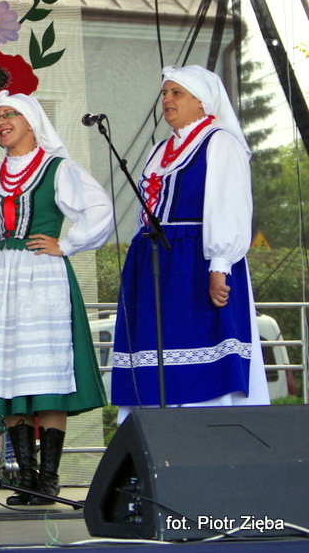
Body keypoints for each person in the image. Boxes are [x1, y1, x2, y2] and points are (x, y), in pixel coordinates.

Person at [0, 91, 113, 506]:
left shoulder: (57, 167)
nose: (1, 121)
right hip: (2, 278)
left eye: (10, 114)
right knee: (10, 373)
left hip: (42, 274)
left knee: (45, 374)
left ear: (31, 122)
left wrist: (67, 244)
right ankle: (25, 477)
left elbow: (99, 209)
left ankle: (48, 479)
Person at [112, 65, 269, 417]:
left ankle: (204, 430)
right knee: (154, 349)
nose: (167, 100)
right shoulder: (160, 150)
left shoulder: (220, 143)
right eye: (165, 93)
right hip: (155, 262)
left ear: (202, 102)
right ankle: (156, 433)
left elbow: (228, 205)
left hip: (196, 260)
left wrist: (220, 266)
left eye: (176, 93)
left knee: (199, 345)